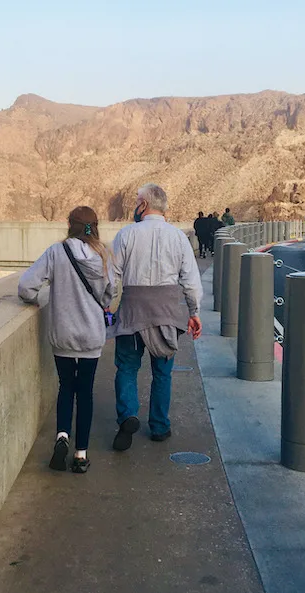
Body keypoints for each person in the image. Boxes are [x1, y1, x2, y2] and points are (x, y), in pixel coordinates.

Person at [18, 206, 114, 474]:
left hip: (62, 335)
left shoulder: (56, 253)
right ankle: (81, 455)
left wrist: (40, 299)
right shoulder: (104, 254)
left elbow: (26, 287)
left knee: (65, 387)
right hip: (91, 338)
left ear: (69, 225)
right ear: (95, 226)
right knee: (85, 393)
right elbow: (109, 294)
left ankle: (62, 436)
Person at [111, 183, 202, 449]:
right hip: (167, 313)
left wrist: (106, 306)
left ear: (143, 204)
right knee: (162, 372)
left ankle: (127, 415)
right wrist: (194, 312)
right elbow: (191, 281)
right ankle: (159, 427)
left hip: (132, 312)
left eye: (136, 202)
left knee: (127, 367)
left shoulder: (126, 235)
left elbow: (111, 277)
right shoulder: (178, 238)